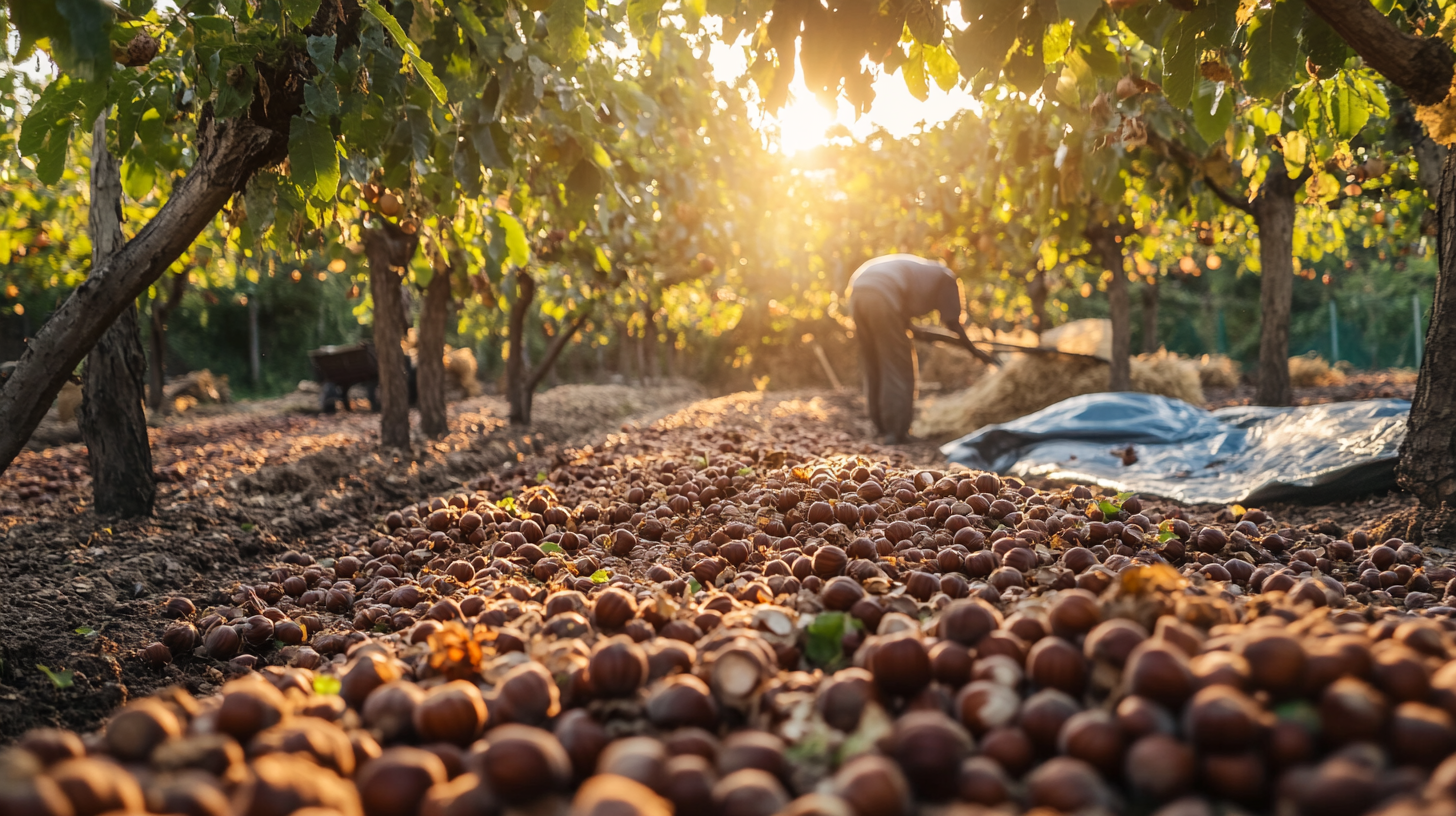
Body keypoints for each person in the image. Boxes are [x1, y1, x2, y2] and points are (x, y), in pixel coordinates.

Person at [846, 254, 993, 444]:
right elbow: (953, 323)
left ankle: (881, 427)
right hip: (881, 293)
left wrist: (916, 329)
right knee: (898, 364)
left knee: (874, 362)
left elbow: (901, 317)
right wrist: (975, 351)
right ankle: (896, 431)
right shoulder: (946, 278)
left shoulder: (924, 273)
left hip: (858, 292)